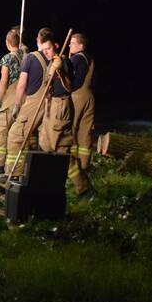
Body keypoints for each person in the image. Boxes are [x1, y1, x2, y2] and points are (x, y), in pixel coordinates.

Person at [4, 28, 72, 180]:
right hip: (49, 105)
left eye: (49, 48)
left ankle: (14, 174)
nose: (46, 51)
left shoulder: (57, 61)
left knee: (18, 135)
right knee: (46, 144)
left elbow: (22, 85)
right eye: (45, 48)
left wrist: (17, 105)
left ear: (56, 45)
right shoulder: (50, 61)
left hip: (53, 106)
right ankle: (40, 177)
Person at [0, 28, 24, 172]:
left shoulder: (7, 58)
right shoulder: (25, 56)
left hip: (10, 97)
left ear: (7, 42)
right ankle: (16, 167)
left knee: (2, 130)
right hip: (24, 98)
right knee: (17, 134)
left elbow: (3, 81)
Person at [65, 33, 95, 196]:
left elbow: (73, 81)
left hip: (77, 96)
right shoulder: (90, 59)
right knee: (85, 133)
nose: (70, 46)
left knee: (73, 131)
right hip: (89, 96)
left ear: (81, 46)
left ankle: (76, 171)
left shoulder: (77, 59)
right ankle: (84, 166)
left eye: (73, 43)